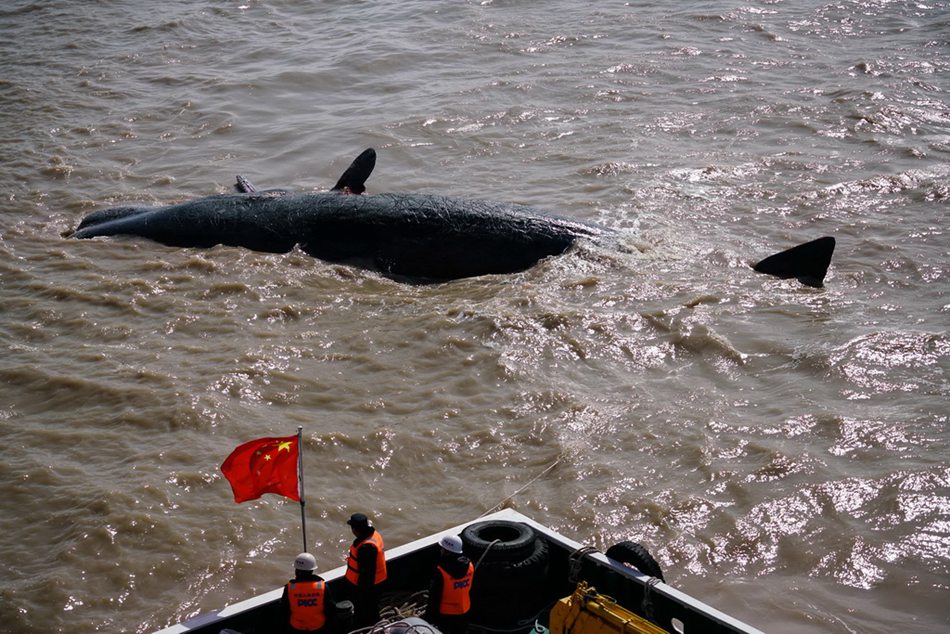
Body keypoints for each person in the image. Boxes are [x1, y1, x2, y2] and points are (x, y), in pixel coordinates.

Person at [344, 512, 387, 627]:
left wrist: (361, 591)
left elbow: (367, 574)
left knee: (366, 611)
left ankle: (367, 627)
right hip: (378, 581)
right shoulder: (374, 535)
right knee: (371, 608)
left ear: (354, 530)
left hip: (369, 586)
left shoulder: (366, 547)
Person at [424, 534, 474, 634]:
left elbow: (435, 597)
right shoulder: (470, 566)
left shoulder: (441, 571)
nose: (440, 550)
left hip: (446, 613)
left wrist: (428, 618)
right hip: (465, 609)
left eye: (442, 549)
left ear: (447, 551)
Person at [278, 552, 334, 634]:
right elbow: (330, 610)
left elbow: (284, 611)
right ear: (312, 570)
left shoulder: (289, 588)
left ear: (296, 570)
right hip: (318, 628)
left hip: (296, 628)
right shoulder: (322, 587)